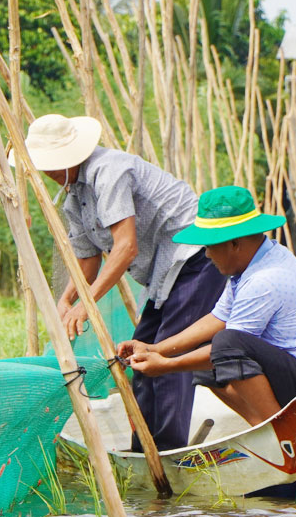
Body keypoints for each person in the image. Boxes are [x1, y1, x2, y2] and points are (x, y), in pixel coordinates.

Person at [25, 113, 226, 450]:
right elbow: (87, 259)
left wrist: (87, 306)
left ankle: (168, 450)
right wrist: (68, 300)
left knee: (167, 352)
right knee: (138, 352)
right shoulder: (74, 196)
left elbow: (125, 247)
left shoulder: (109, 171)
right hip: (165, 272)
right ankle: (145, 447)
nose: (48, 172)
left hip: (194, 255)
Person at [119, 186, 296, 427]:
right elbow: (217, 318)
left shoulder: (264, 279)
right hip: (294, 375)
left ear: (234, 244)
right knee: (206, 352)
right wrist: (155, 349)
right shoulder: (251, 267)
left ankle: (280, 430)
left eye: (209, 246)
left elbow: (231, 344)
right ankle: (264, 425)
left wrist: (167, 366)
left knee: (225, 345)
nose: (207, 255)